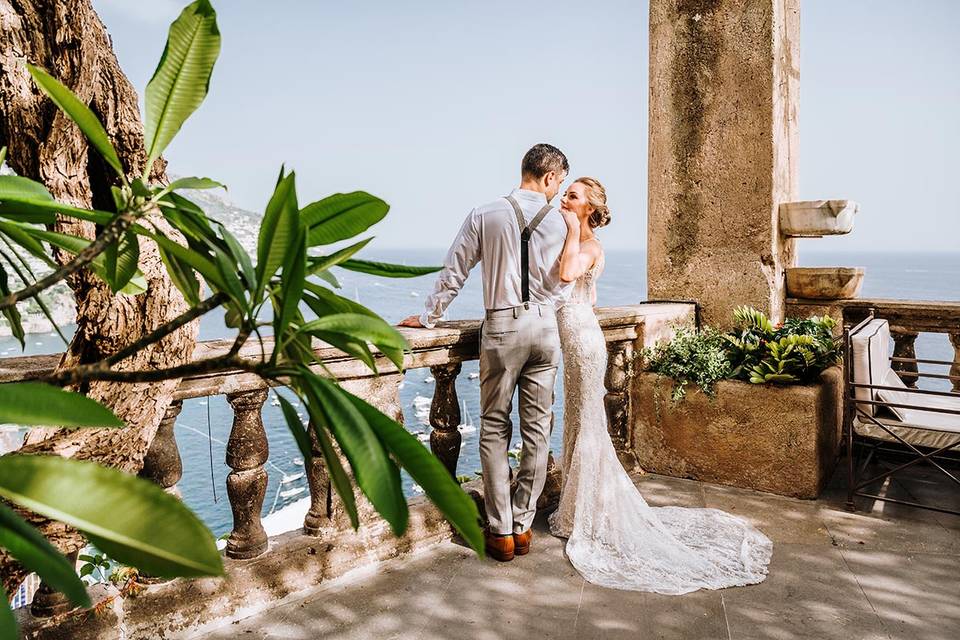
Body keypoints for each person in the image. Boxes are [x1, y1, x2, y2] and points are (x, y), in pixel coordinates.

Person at [548, 176, 774, 594]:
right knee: (580, 420)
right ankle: (579, 507)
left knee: (586, 421)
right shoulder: (585, 242)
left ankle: (586, 513)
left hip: (582, 342)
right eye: (566, 193)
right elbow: (589, 298)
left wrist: (571, 230)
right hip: (582, 334)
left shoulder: (589, 245)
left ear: (589, 207)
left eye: (572, 196)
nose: (565, 198)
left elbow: (565, 274)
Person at [399, 143, 572, 561]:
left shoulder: (485, 213)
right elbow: (564, 284)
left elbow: (455, 270)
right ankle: (522, 524)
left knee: (495, 427)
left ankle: (499, 533)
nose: (559, 190)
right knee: (538, 428)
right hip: (546, 328)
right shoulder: (564, 222)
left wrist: (428, 318)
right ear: (549, 177)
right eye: (560, 182)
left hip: (503, 326)